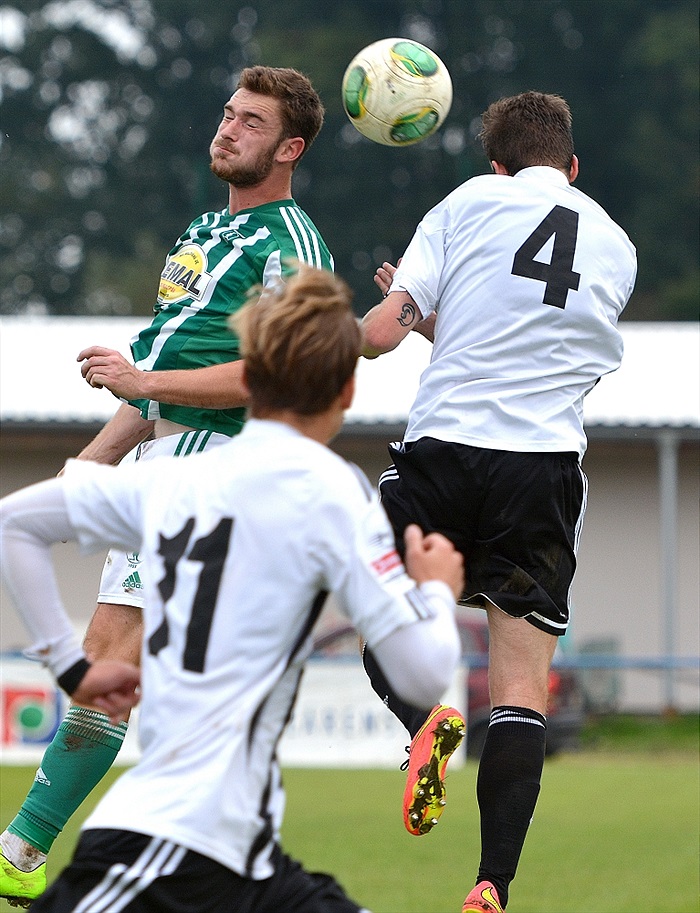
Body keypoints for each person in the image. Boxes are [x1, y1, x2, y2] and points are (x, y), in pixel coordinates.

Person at [0, 265, 464, 913]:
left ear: (248, 377)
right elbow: (421, 674)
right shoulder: (333, 491)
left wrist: (71, 665)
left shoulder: (177, 481)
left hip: (242, 853)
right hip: (170, 844)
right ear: (348, 389)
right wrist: (437, 591)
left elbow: (15, 523)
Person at [0, 65, 334, 908]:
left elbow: (273, 376)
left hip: (219, 469)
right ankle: (210, 861)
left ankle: (23, 849)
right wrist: (87, 469)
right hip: (165, 461)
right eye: (228, 115)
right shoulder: (202, 230)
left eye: (251, 123)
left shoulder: (288, 245)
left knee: (112, 655)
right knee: (160, 678)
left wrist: (143, 377)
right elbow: (150, 395)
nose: (227, 130)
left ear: (290, 148)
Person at [360, 91, 637, 913]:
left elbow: (380, 331)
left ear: (498, 165)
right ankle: (492, 884)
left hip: (444, 453)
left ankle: (425, 718)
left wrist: (392, 313)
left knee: (371, 600)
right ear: (573, 167)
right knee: (521, 688)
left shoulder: (465, 202)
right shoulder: (616, 244)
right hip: (542, 469)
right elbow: (536, 353)